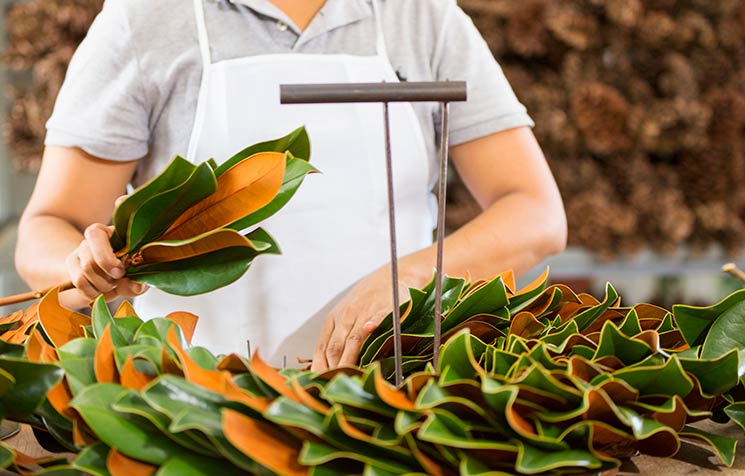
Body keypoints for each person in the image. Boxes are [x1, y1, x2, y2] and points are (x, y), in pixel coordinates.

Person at [15, 0, 567, 371]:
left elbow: (535, 213)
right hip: (195, 402)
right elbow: (45, 229)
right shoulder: (148, 18)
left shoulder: (420, 15)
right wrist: (81, 266)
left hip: (397, 397)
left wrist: (414, 276)